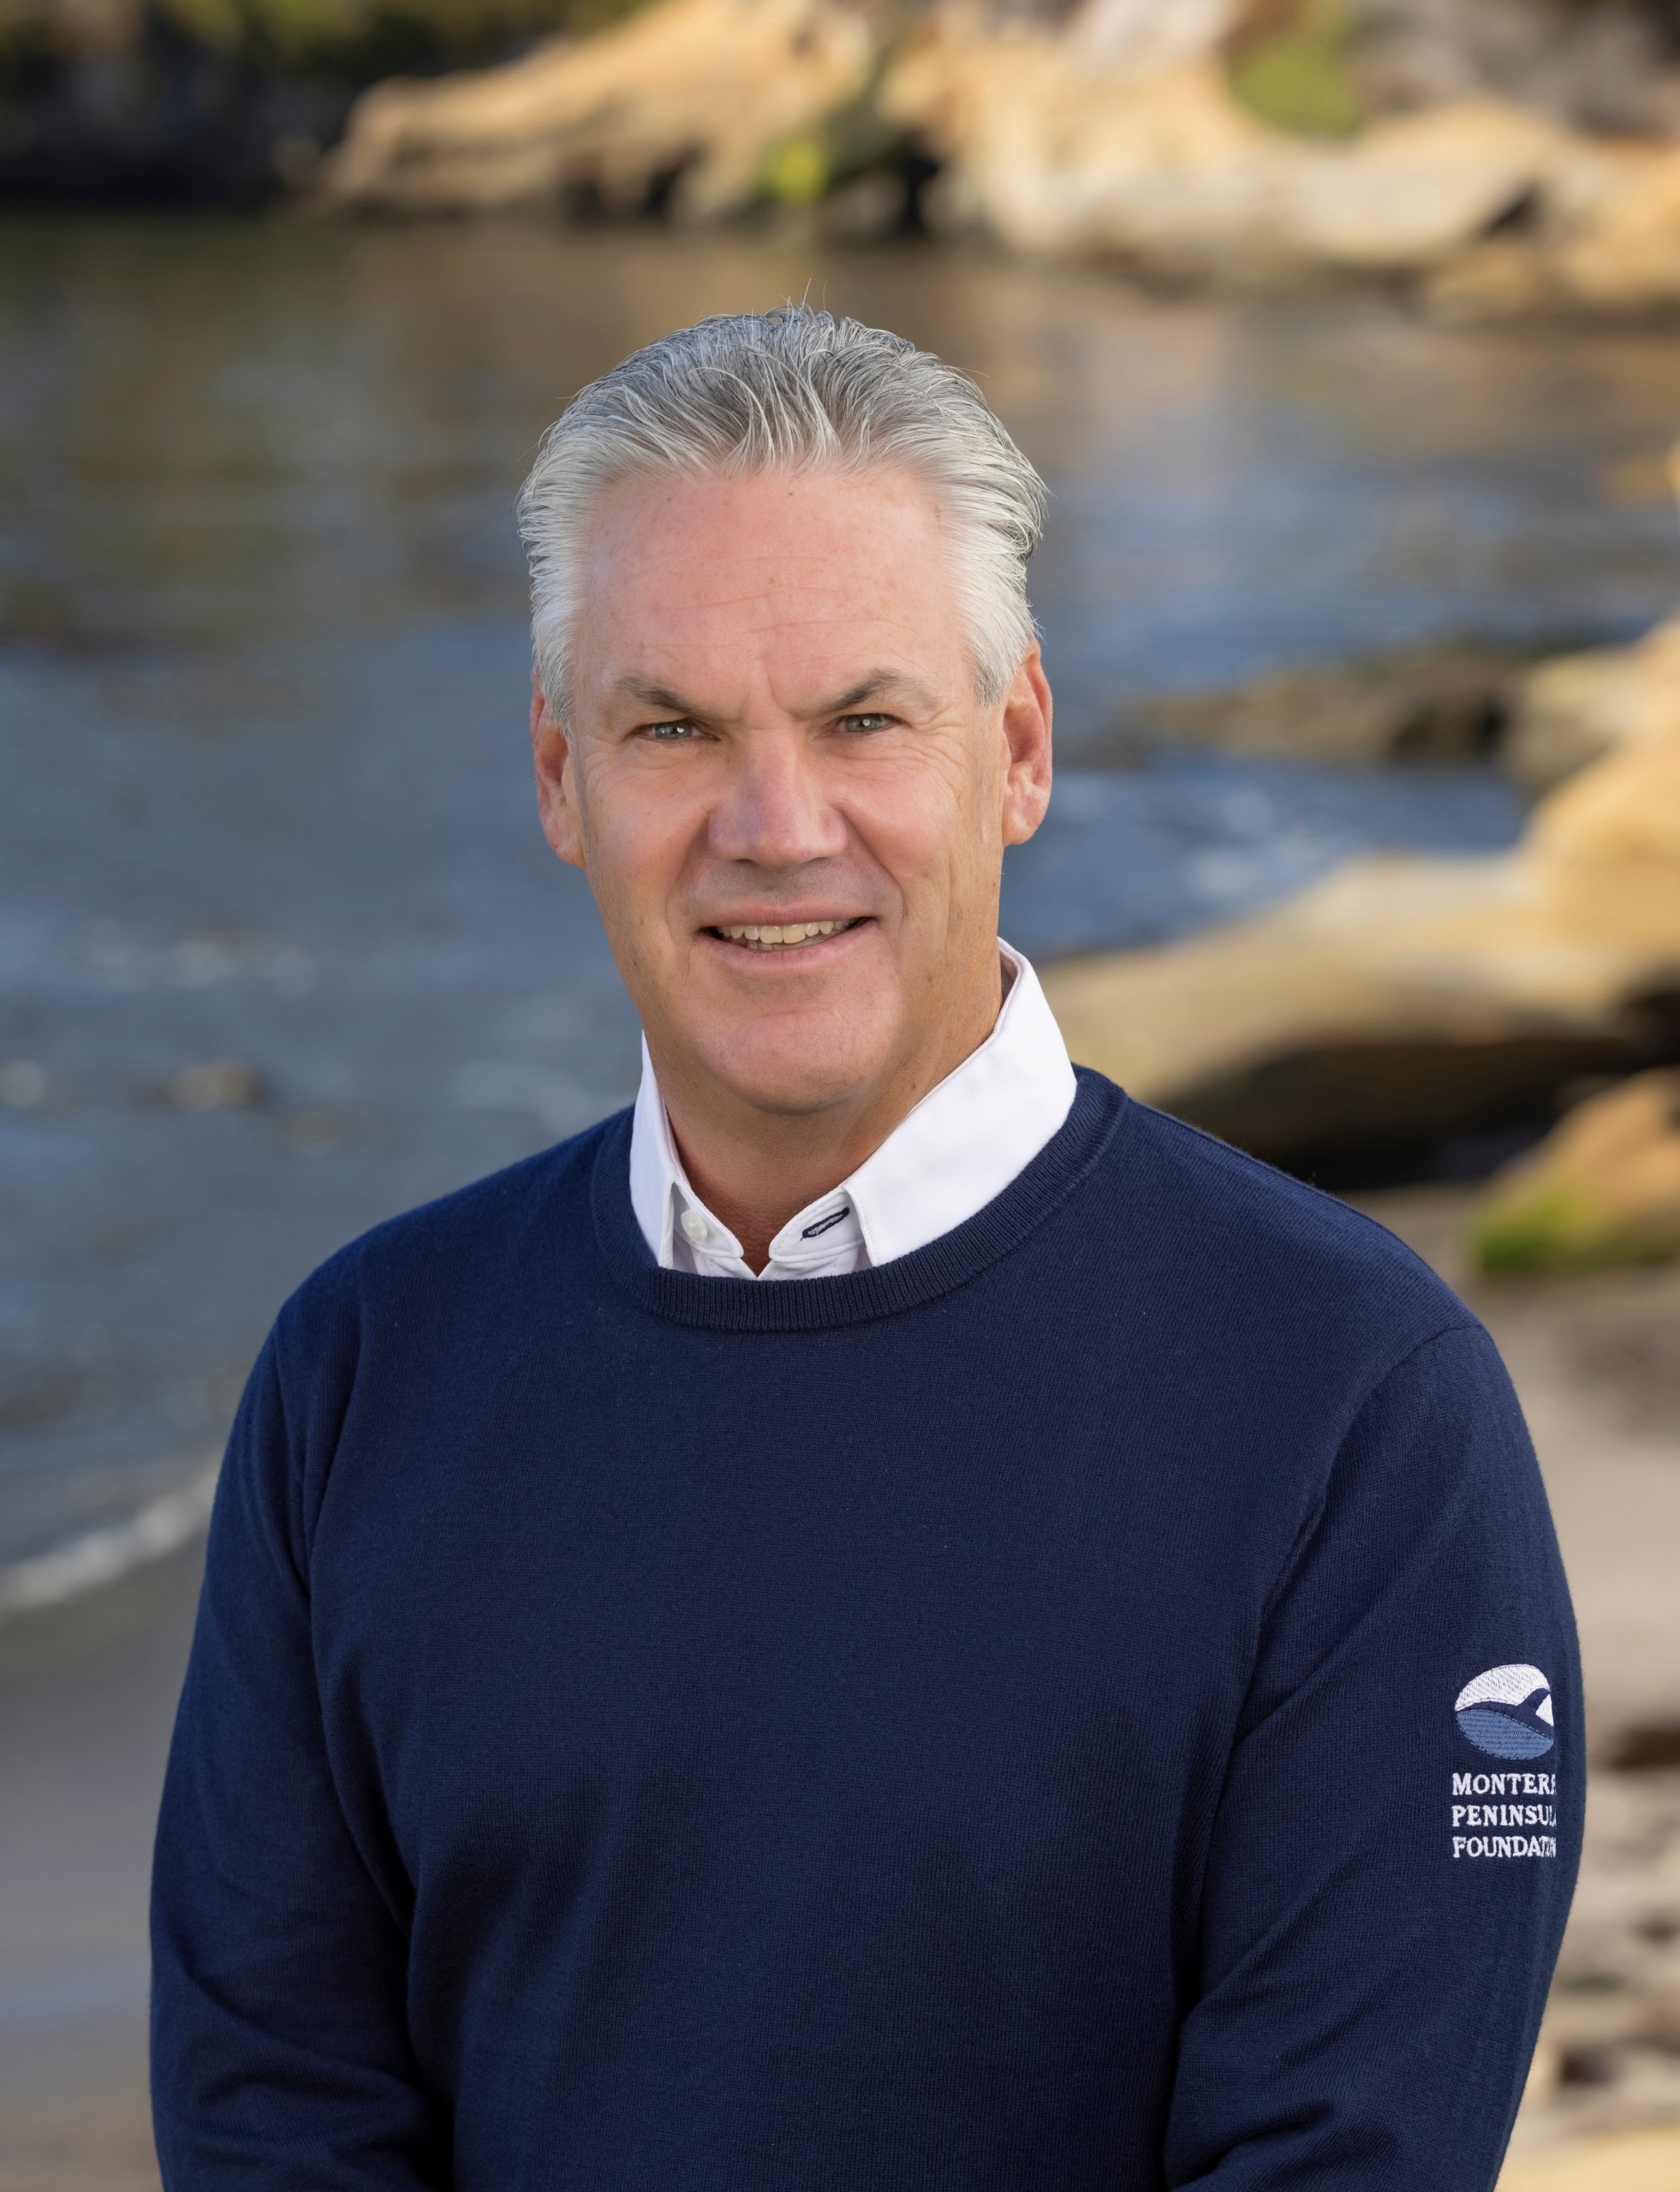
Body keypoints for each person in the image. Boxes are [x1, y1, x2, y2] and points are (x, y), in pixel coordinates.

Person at [151, 308, 1582, 2189]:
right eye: (673, 726)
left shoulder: (1356, 1400)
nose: (774, 826)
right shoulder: (365, 1365)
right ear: (560, 773)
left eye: (862, 720)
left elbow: (1344, 2156)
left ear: (1017, 747)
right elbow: (272, 2109)